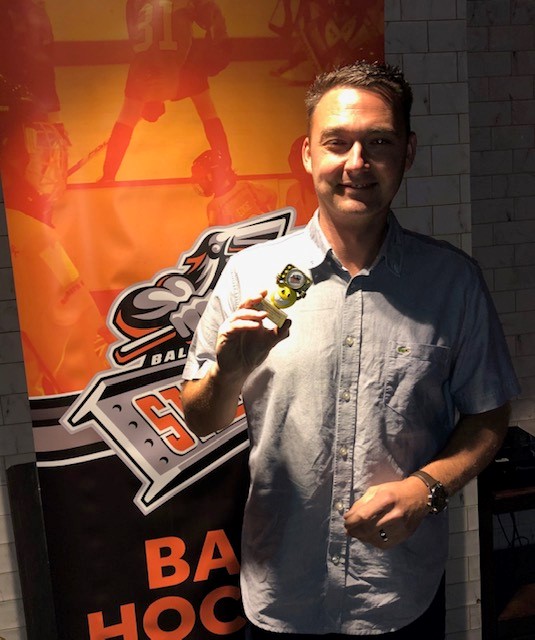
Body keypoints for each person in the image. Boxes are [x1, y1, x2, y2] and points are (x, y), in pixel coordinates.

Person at [180, 61, 520, 638]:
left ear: (407, 152)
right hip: (282, 591)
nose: (356, 163)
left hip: (397, 594)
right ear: (308, 153)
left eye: (378, 142)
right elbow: (201, 418)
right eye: (336, 142)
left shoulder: (453, 282)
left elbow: (489, 415)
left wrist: (425, 490)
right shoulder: (250, 275)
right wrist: (228, 374)